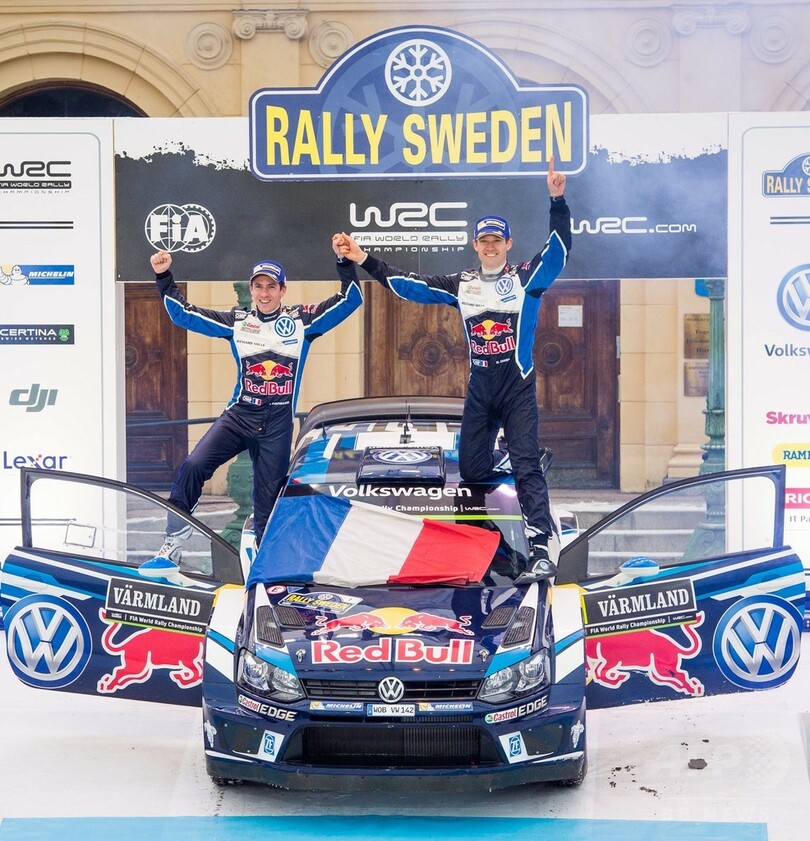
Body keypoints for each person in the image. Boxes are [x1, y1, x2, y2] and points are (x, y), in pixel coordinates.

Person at [334, 157, 571, 582]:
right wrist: (363, 258)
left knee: (526, 466)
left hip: (517, 385)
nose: (491, 246)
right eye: (484, 241)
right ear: (475, 245)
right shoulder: (463, 284)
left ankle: (539, 549)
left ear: (509, 243)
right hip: (481, 387)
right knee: (472, 469)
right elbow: (408, 284)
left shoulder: (525, 278)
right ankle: (496, 539)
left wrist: (557, 200)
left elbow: (558, 252)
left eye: (497, 240)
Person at [148, 240, 363, 559]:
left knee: (267, 504)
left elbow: (351, 299)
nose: (264, 293)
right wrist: (164, 276)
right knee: (193, 466)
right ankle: (174, 542)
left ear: (283, 290)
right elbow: (183, 315)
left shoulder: (302, 321)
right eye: (259, 286)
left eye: (271, 286)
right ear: (251, 289)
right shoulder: (237, 322)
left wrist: (344, 263)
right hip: (239, 416)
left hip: (277, 424)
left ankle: (266, 565)